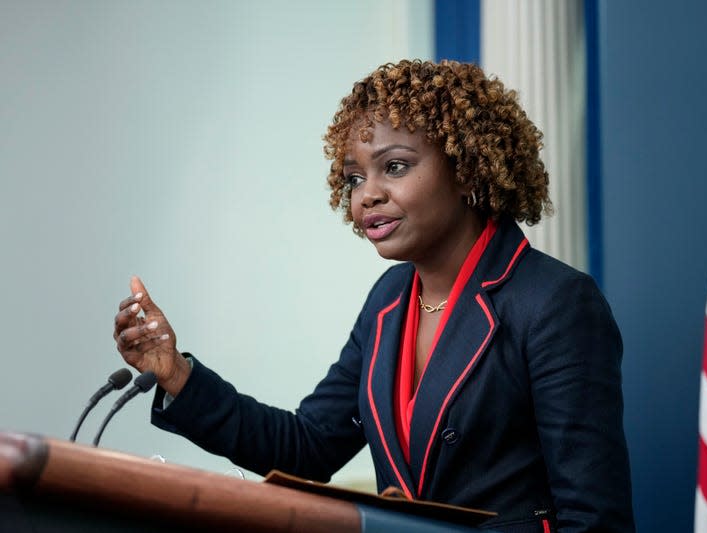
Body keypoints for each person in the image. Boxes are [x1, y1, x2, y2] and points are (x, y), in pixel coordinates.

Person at [114, 59, 634, 532]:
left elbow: (594, 520)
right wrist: (177, 377)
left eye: (396, 166)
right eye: (355, 178)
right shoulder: (388, 301)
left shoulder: (556, 302)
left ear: (467, 167)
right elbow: (308, 447)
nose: (368, 195)